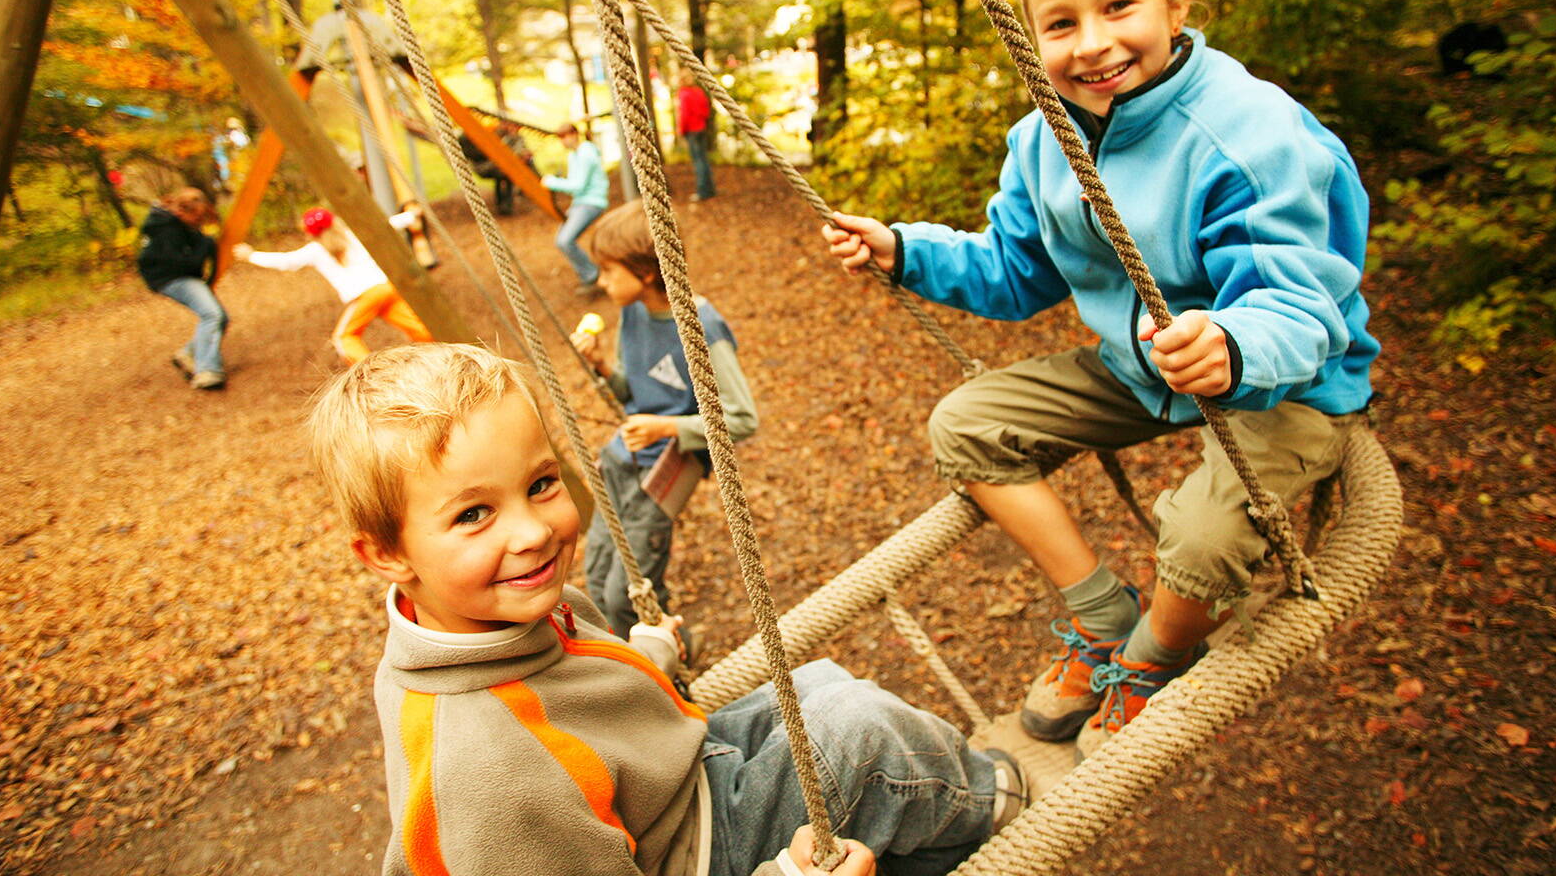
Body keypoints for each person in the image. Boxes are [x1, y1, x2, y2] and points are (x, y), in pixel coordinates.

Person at [822, 0, 1378, 758]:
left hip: (1282, 377)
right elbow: (1013, 271)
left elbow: (1296, 299)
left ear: (1175, 1)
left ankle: (1154, 659)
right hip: (1142, 369)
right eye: (1060, 23)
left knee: (1202, 531)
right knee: (967, 423)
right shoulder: (1045, 140)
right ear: (1031, 39)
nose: (1091, 43)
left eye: (1119, 7)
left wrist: (1232, 345)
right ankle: (1105, 620)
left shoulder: (1248, 133)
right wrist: (902, 250)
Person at [306, 342, 1028, 876]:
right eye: (472, 515)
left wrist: (642, 657)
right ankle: (992, 809)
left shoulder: (478, 614)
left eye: (542, 484)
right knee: (857, 739)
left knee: (820, 685)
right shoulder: (490, 777)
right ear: (386, 554)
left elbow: (567, 695)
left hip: (668, 784)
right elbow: (532, 746)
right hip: (692, 853)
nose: (532, 533)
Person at [567, 201, 757, 641]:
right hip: (622, 462)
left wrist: (667, 428)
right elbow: (638, 393)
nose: (602, 281)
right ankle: (633, 663)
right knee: (596, 584)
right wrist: (601, 367)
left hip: (661, 475)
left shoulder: (700, 326)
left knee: (626, 597)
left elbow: (743, 418)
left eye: (610, 271)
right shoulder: (633, 310)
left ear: (645, 272)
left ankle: (676, 653)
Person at [233, 207, 432, 366]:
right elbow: (384, 225)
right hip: (386, 289)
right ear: (334, 222)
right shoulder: (352, 235)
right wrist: (411, 215)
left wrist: (250, 255)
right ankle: (436, 356)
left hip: (365, 296)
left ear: (310, 233)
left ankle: (373, 374)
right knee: (418, 328)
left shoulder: (315, 250)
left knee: (344, 337)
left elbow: (286, 261)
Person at [138, 186, 228, 390]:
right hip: (170, 278)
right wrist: (206, 245)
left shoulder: (181, 225)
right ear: (181, 212)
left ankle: (189, 354)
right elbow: (185, 263)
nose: (199, 224)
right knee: (212, 315)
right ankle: (206, 370)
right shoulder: (166, 230)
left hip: (181, 275)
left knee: (221, 317)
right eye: (197, 219)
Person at [541, 122, 610, 295]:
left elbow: (578, 185)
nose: (563, 141)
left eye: (565, 136)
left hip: (591, 202)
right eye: (560, 138)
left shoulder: (586, 153)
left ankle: (592, 276)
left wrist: (552, 182)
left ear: (574, 134)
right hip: (580, 203)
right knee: (561, 240)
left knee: (565, 240)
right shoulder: (574, 155)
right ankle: (590, 274)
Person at [676, 70, 716, 202]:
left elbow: (684, 115)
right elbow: (706, 110)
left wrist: (682, 130)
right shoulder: (699, 92)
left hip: (692, 130)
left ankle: (703, 190)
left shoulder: (684, 94)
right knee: (704, 159)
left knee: (698, 161)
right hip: (701, 128)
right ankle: (710, 188)